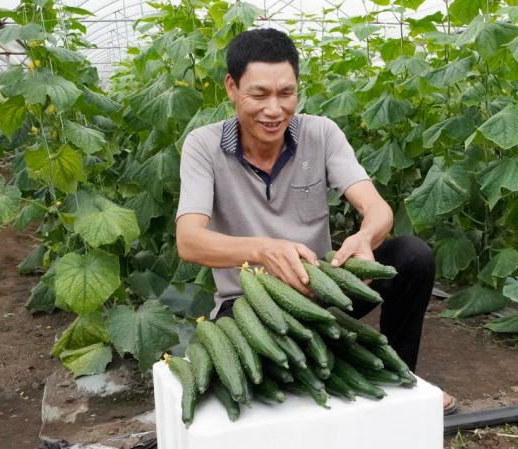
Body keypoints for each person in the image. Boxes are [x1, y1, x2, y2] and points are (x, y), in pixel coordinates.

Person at [174, 28, 457, 415]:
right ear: (232, 88)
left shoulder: (320, 133)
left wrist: (366, 237)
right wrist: (263, 250)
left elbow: (377, 209)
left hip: (321, 288)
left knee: (412, 256)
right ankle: (343, 368)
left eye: (286, 93)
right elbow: (189, 241)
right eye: (259, 94)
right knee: (282, 373)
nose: (274, 109)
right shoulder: (203, 146)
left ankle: (403, 379)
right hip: (248, 305)